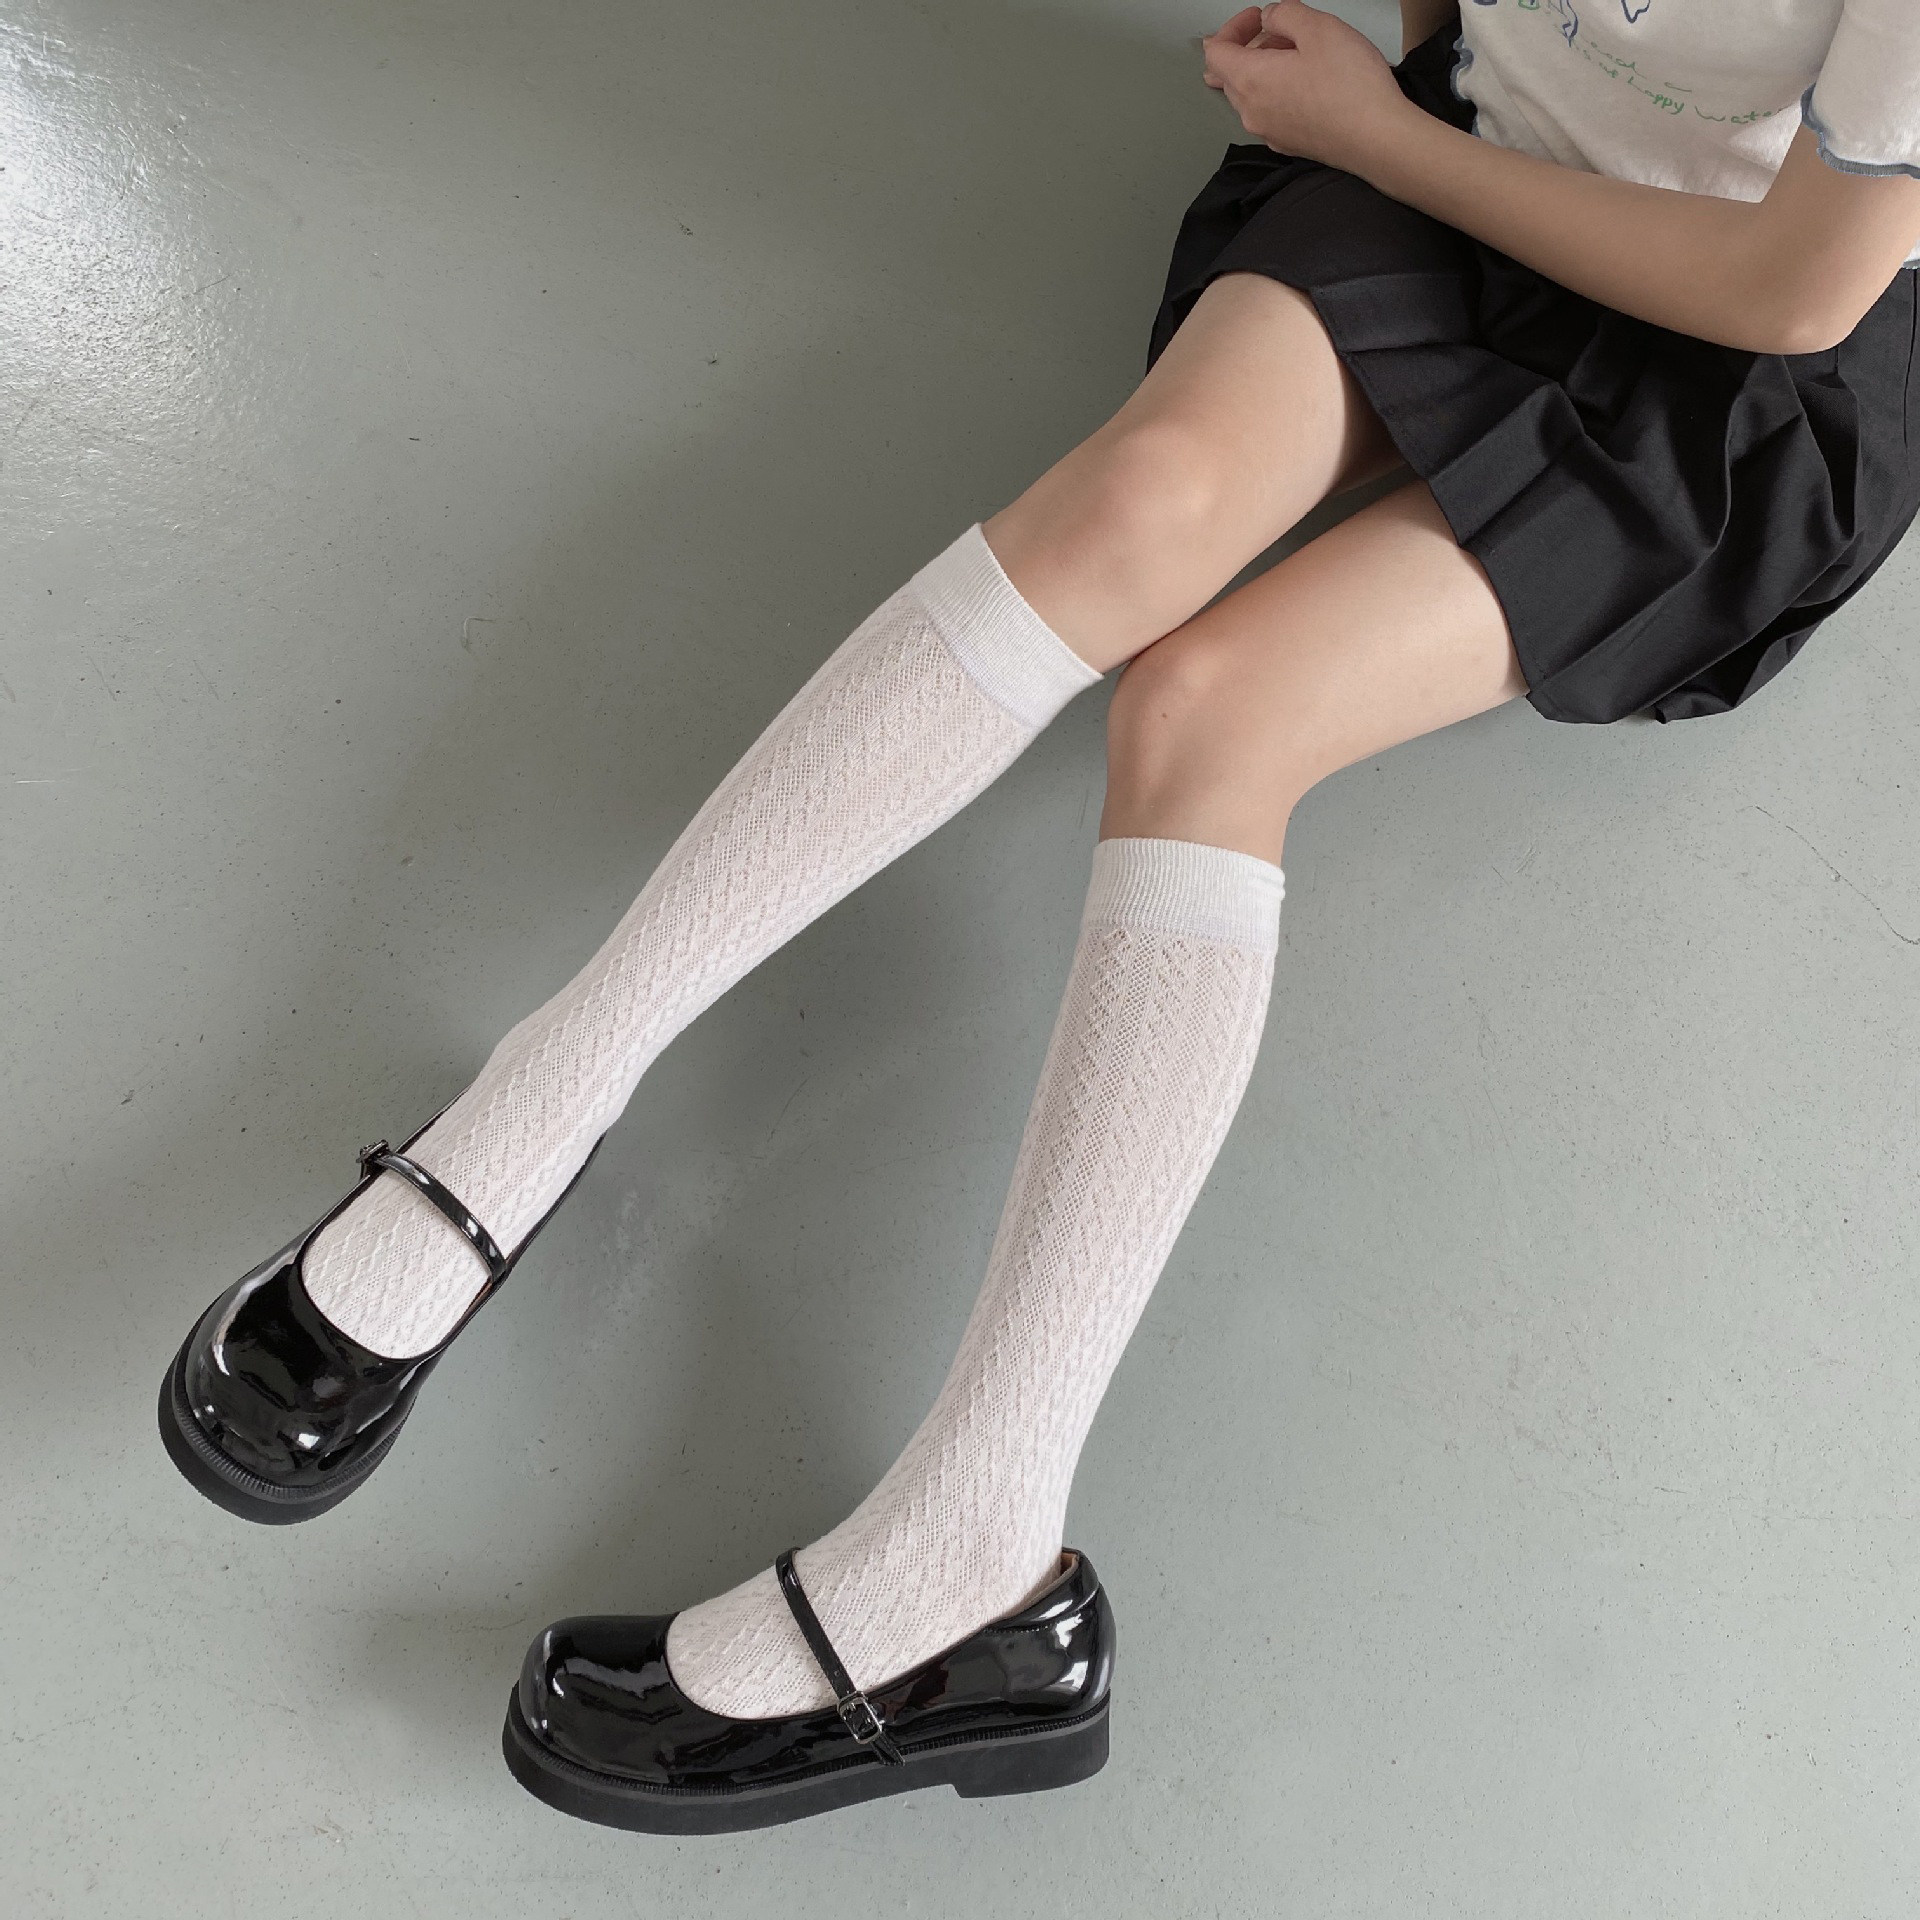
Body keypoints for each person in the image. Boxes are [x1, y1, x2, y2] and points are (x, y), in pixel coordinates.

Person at [158, 0, 1920, 1832]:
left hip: (1725, 374)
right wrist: (1393, 80)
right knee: (1130, 506)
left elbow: (1794, 288)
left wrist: (1377, 140)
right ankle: (543, 1100)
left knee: (1210, 714)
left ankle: (982, 1556)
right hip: (1466, 150)